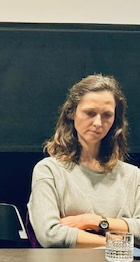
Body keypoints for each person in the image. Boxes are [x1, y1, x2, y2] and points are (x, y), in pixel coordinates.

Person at [27, 74, 140, 249]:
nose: (98, 123)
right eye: (90, 113)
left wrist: (94, 221)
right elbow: (50, 235)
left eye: (107, 115)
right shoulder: (49, 170)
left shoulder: (132, 175)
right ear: (72, 113)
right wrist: (118, 241)